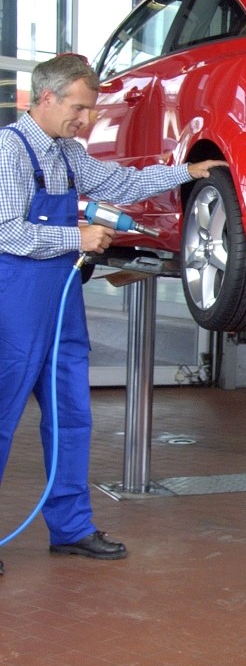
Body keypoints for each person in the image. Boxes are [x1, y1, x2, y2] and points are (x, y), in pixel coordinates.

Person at [0, 54, 226, 575]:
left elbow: (117, 184)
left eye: (90, 111)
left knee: (72, 416)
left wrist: (186, 171)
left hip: (61, 303)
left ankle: (71, 527)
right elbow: (6, 230)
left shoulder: (67, 153)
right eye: (79, 109)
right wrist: (75, 237)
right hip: (16, 304)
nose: (85, 120)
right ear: (47, 97)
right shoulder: (9, 151)